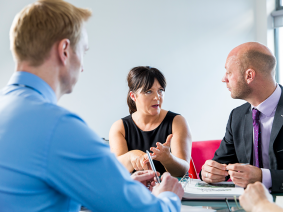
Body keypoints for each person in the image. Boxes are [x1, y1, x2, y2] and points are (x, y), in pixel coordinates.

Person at [0, 0, 184, 211]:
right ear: (65, 50)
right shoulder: (58, 127)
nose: (83, 67)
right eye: (83, 52)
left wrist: (117, 190)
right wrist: (168, 198)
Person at [201, 42, 283, 193]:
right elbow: (220, 163)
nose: (224, 79)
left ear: (249, 75)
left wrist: (263, 176)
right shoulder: (237, 116)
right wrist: (208, 172)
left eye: (228, 73)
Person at [109, 66, 192, 177]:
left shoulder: (177, 121)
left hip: (171, 190)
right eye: (149, 91)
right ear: (133, 96)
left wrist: (167, 158)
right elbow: (115, 171)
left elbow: (182, 171)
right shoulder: (119, 127)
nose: (157, 97)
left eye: (160, 90)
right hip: (136, 191)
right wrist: (131, 156)